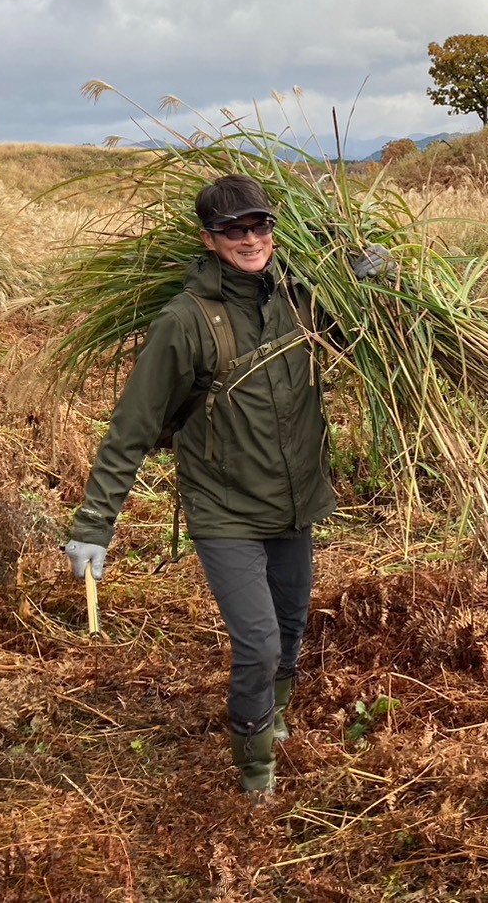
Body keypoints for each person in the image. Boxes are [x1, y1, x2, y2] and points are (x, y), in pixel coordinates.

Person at [64, 173, 348, 800]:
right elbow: (132, 428)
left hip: (295, 499)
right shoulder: (185, 322)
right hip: (225, 509)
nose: (250, 239)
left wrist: (375, 283)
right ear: (209, 239)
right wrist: (94, 526)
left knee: (291, 627)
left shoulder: (301, 297)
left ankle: (274, 716)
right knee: (259, 642)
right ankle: (256, 771)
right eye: (232, 230)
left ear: (273, 228)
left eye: (259, 225)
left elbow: (363, 340)